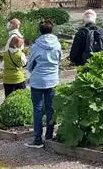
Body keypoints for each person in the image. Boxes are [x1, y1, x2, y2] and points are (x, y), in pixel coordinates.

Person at [25, 19, 61, 149]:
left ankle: (38, 139)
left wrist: (34, 70)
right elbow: (59, 61)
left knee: (38, 109)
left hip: (38, 81)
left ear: (40, 31)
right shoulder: (57, 44)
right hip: (52, 80)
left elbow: (29, 65)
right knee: (51, 108)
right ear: (52, 30)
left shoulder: (36, 46)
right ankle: (49, 136)